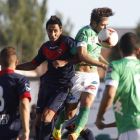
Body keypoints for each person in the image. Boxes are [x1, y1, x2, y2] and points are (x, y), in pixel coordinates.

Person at [52, 7, 114, 140]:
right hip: (79, 77)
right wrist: (102, 65)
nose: (105, 28)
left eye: (107, 25)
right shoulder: (84, 33)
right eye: (103, 24)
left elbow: (96, 55)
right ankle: (58, 126)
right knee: (69, 114)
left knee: (86, 105)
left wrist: (107, 64)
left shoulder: (100, 35)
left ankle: (75, 133)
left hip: (92, 77)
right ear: (94, 23)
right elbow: (83, 56)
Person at [16, 15, 81, 140]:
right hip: (46, 85)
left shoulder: (67, 42)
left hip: (62, 87)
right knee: (38, 121)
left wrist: (64, 62)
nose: (53, 33)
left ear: (60, 31)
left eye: (55, 30)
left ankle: (73, 123)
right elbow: (33, 64)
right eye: (50, 31)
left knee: (47, 117)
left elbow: (80, 58)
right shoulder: (45, 47)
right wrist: (13, 66)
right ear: (46, 31)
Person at [95, 32, 140, 140]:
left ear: (120, 48)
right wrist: (106, 126)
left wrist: (99, 117)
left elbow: (110, 94)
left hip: (132, 130)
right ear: (138, 50)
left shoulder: (116, 66)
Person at [35, 73, 96, 140]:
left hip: (65, 113)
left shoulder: (70, 74)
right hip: (53, 114)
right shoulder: (47, 77)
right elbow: (41, 96)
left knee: (87, 133)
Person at [0, 47, 31, 140]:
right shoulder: (21, 80)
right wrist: (26, 131)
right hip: (15, 133)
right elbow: (24, 103)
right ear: (16, 62)